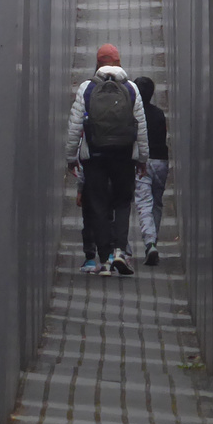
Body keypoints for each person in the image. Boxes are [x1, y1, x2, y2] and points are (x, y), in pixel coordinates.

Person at [66, 43, 149, 275]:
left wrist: (71, 156)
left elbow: (75, 126)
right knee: (123, 203)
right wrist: (143, 158)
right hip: (124, 156)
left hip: (94, 156)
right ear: (119, 62)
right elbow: (140, 127)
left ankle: (103, 258)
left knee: (99, 204)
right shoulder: (132, 89)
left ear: (98, 63)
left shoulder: (87, 88)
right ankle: (120, 251)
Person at [133, 76, 170, 265]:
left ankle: (149, 243)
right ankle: (153, 240)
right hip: (161, 162)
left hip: (143, 163)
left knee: (144, 203)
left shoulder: (134, 115)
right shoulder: (158, 114)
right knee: (157, 203)